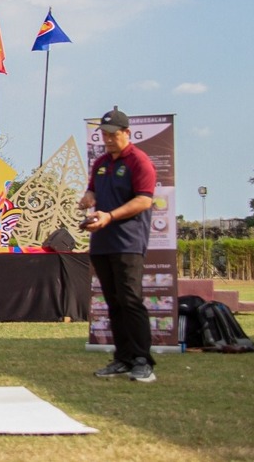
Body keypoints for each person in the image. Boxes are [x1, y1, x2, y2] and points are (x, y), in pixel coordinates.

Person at [79, 106, 158, 383]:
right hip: (101, 242)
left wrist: (110, 216)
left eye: (114, 134)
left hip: (128, 241)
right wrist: (88, 198)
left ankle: (142, 360)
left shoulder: (139, 161)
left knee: (130, 300)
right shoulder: (100, 163)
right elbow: (92, 188)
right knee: (113, 302)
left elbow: (145, 200)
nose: (108, 139)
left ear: (127, 133)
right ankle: (122, 358)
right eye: (104, 134)